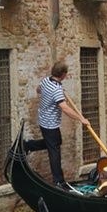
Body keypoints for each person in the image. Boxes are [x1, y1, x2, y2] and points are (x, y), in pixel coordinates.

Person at [25, 60, 90, 188]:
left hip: (43, 119)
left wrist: (49, 93)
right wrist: (81, 119)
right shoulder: (56, 90)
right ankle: (58, 181)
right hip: (50, 125)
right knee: (54, 151)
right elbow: (65, 108)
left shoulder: (46, 81)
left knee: (54, 143)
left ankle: (28, 145)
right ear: (63, 74)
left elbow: (38, 89)